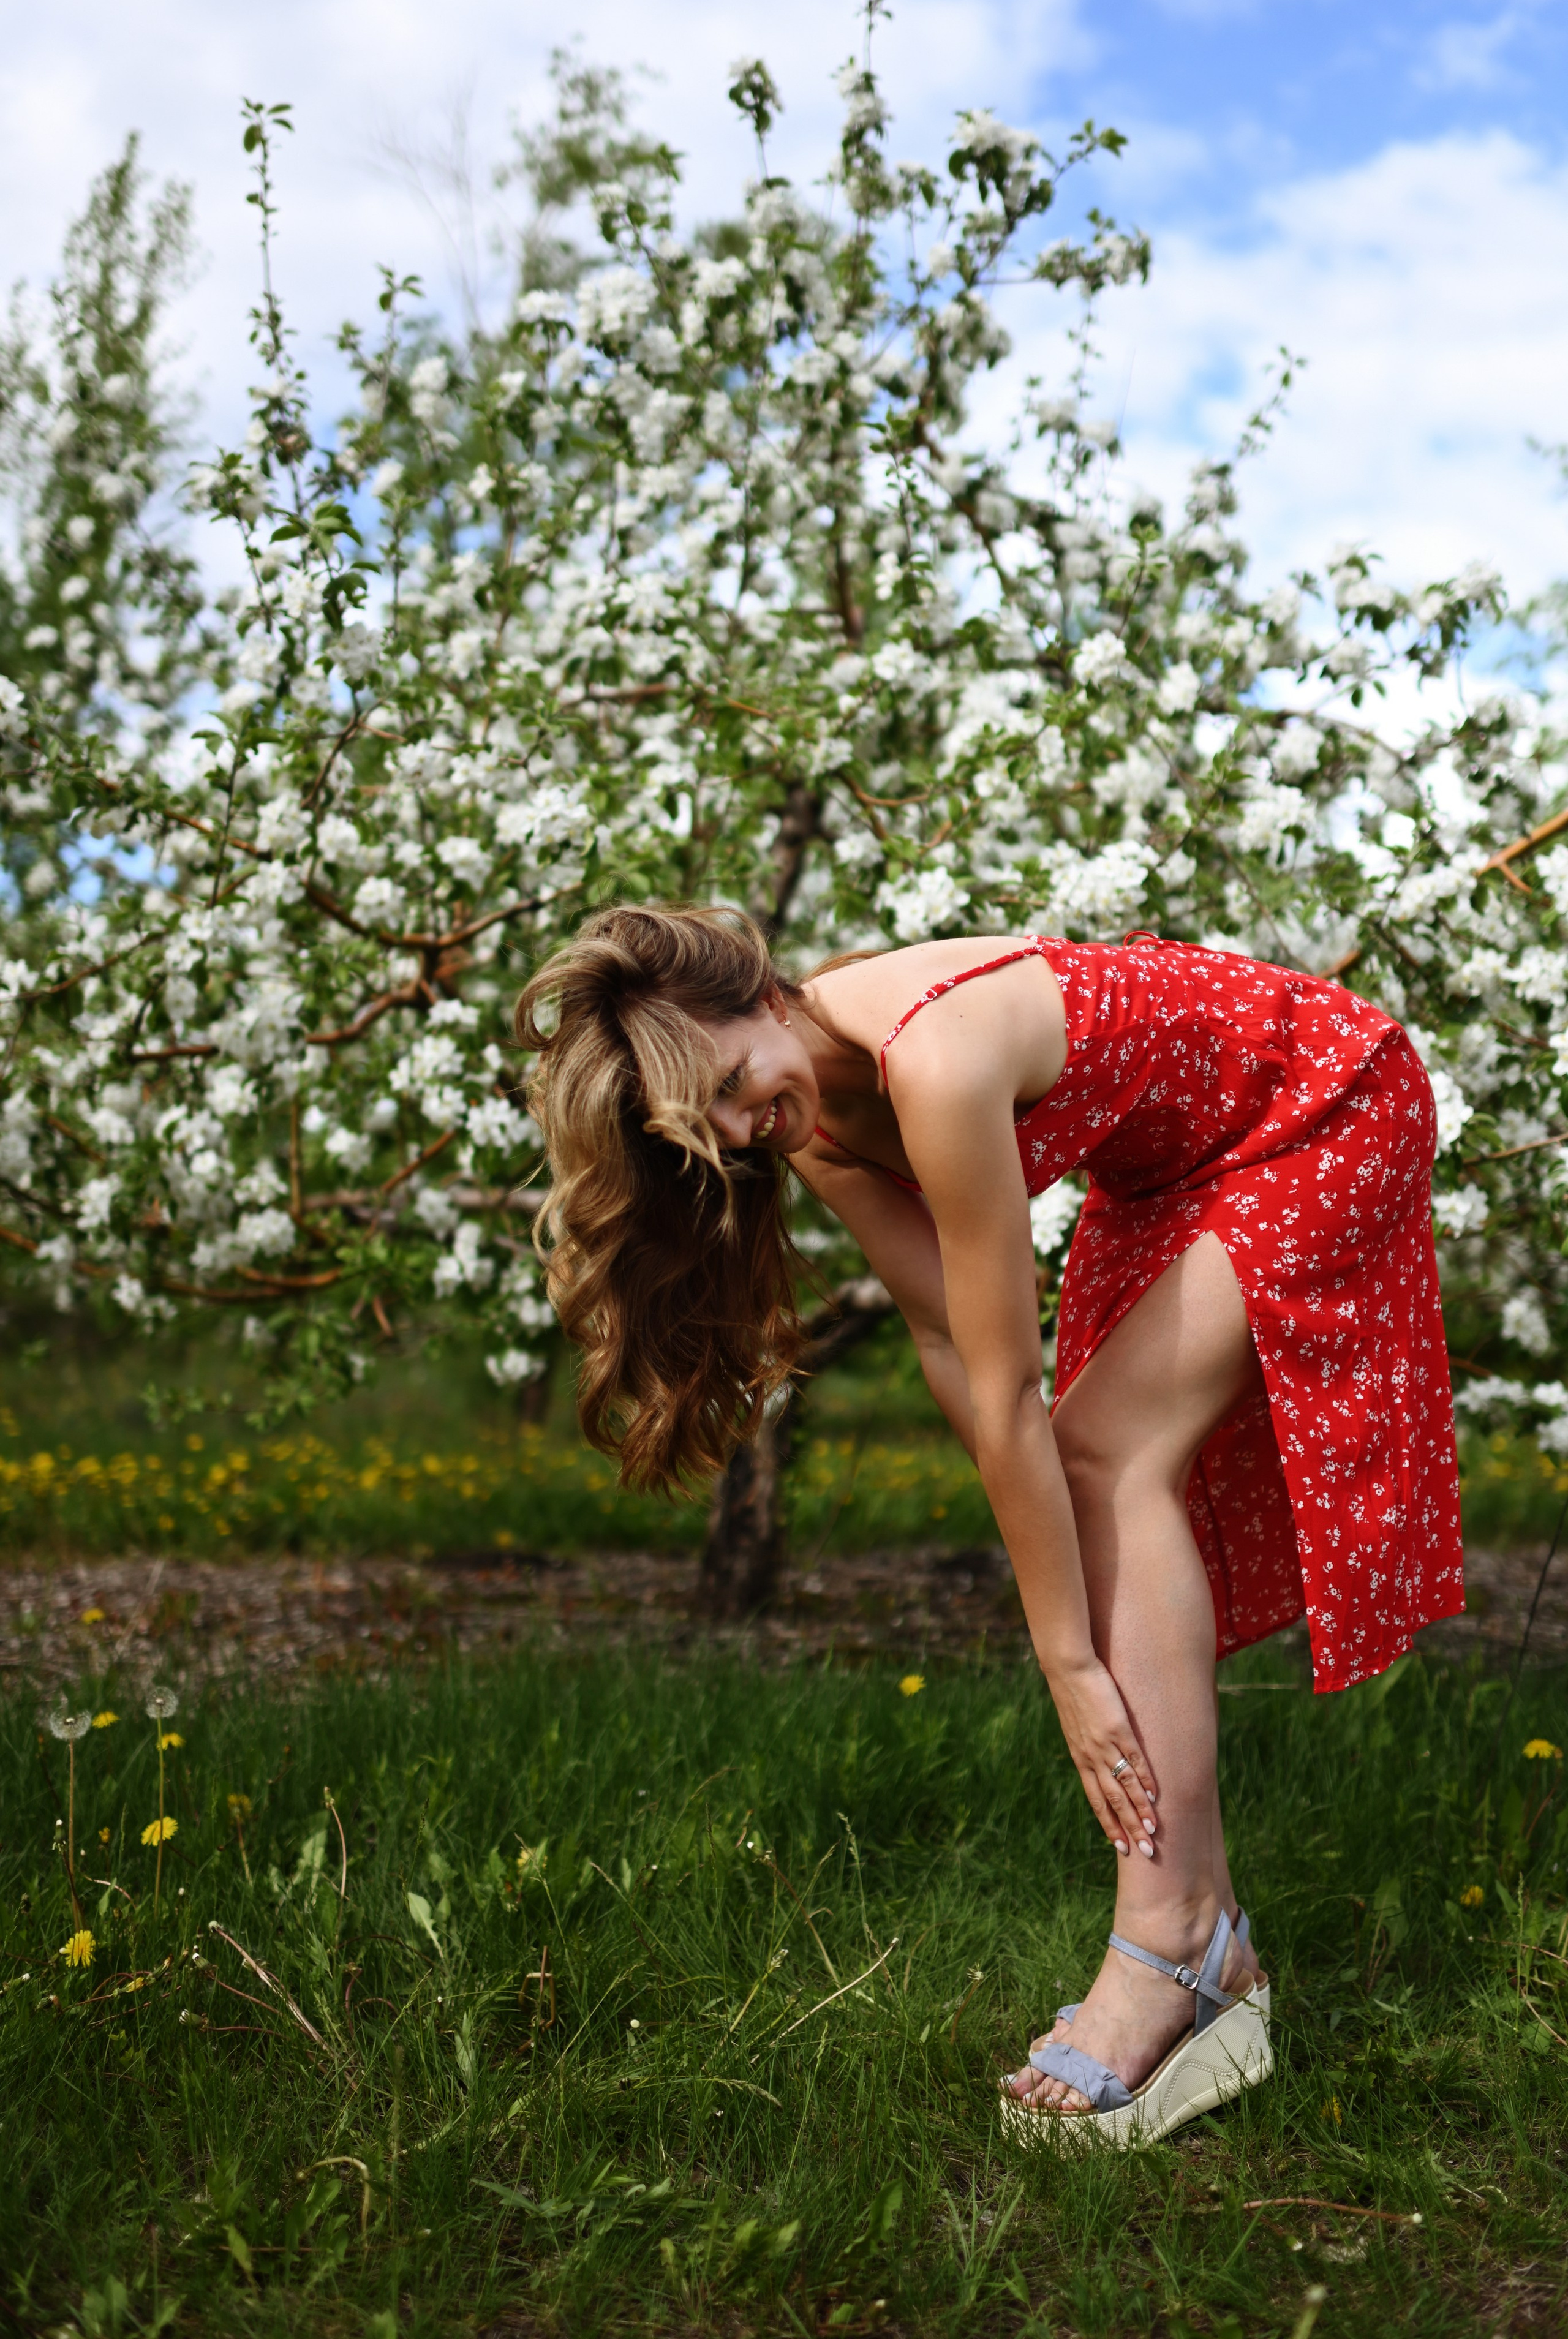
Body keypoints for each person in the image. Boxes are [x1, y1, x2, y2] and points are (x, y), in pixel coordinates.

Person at [518, 904, 1463, 2143]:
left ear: (761, 997)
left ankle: (1169, 1940)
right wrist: (1049, 1536)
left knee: (1105, 1454)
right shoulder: (811, 1122)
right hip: (1175, 1171)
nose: (745, 1129)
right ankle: (1208, 1945)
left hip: (1324, 1104)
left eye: (735, 1085)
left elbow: (1015, 1390)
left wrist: (1068, 1659)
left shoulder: (937, 1059)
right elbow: (943, 1336)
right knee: (1093, 1467)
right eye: (712, 1123)